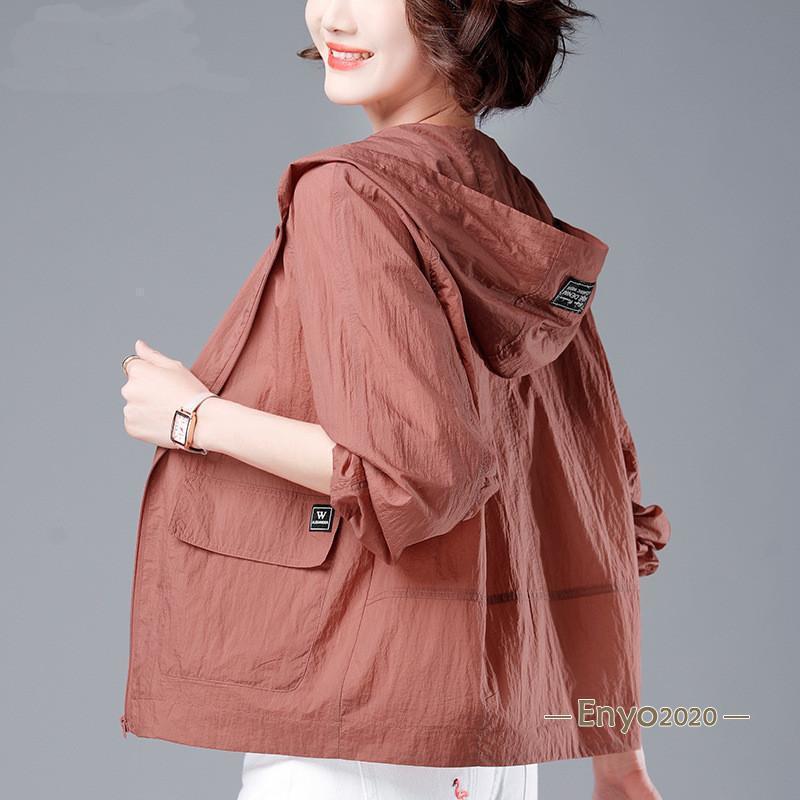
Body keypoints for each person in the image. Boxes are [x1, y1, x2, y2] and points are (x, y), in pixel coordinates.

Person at [119, 1, 670, 798]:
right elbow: (591, 488)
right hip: (493, 743)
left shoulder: (350, 193)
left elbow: (413, 470)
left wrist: (191, 419)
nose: (332, 18)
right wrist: (620, 759)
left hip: (356, 721)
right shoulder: (510, 203)